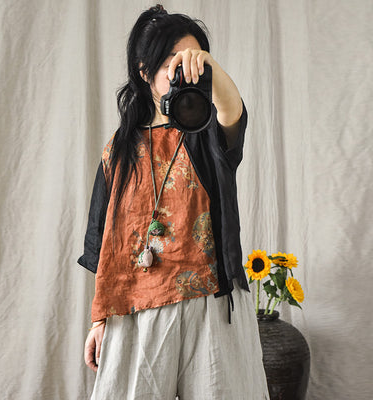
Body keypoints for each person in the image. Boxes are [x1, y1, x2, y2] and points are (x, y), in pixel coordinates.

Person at [78, 4, 269, 399]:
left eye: (194, 61)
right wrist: (99, 320)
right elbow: (104, 243)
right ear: (144, 71)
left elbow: (233, 111)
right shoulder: (119, 149)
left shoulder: (208, 132)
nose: (184, 70)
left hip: (211, 304)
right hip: (135, 307)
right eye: (172, 62)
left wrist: (209, 67)